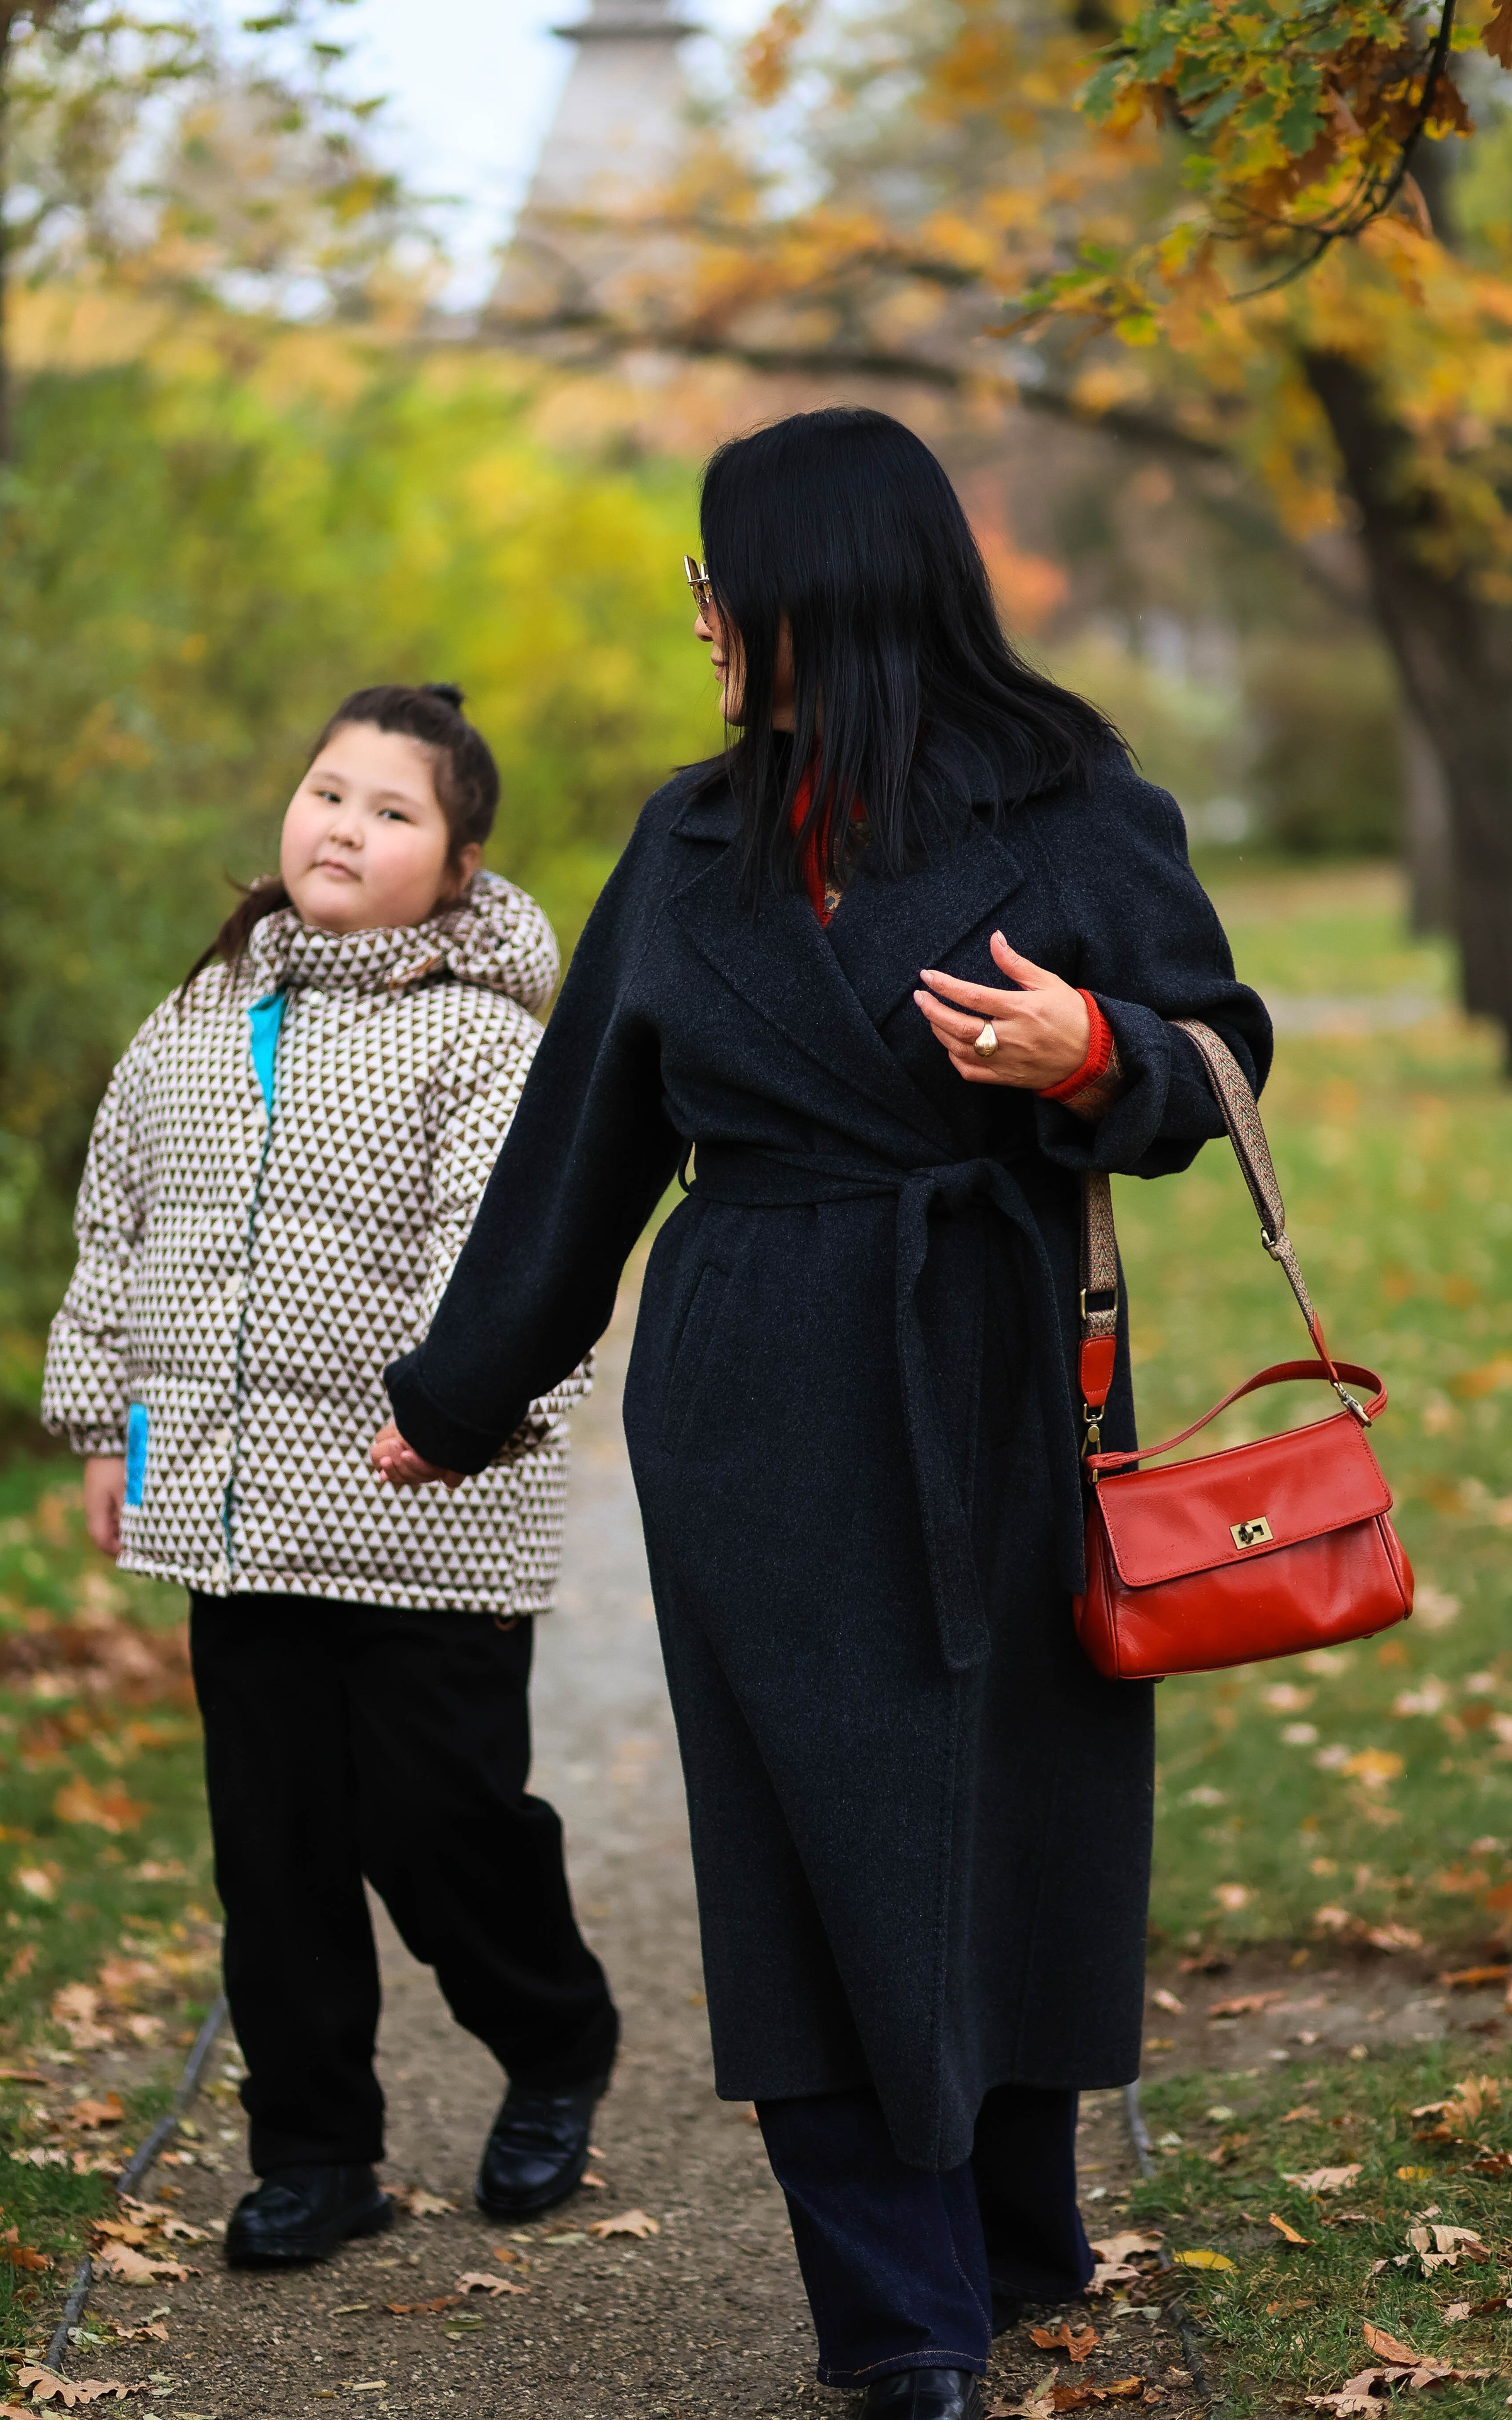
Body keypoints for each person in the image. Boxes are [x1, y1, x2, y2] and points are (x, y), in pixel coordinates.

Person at [370, 412, 1272, 2419]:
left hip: (1000, 1371)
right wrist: (456, 1389)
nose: (700, 620)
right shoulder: (691, 841)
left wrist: (1093, 1052)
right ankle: (901, 2324)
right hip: (761, 1398)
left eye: (714, 580)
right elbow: (580, 1140)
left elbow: (1224, 1065)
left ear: (799, 591)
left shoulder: (1072, 798)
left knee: (1011, 1821)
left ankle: (1017, 2242)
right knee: (815, 1846)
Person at [42, 683, 617, 2269]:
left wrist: (461, 1412)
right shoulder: (193, 1019)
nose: (346, 828)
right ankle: (314, 2149)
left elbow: (520, 1264)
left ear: (458, 861)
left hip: (421, 1511)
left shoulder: (481, 1042)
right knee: (275, 1847)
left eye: (393, 810)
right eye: (326, 793)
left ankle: (555, 2033)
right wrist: (106, 1427)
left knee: (439, 1829)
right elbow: (121, 1232)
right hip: (234, 1516)